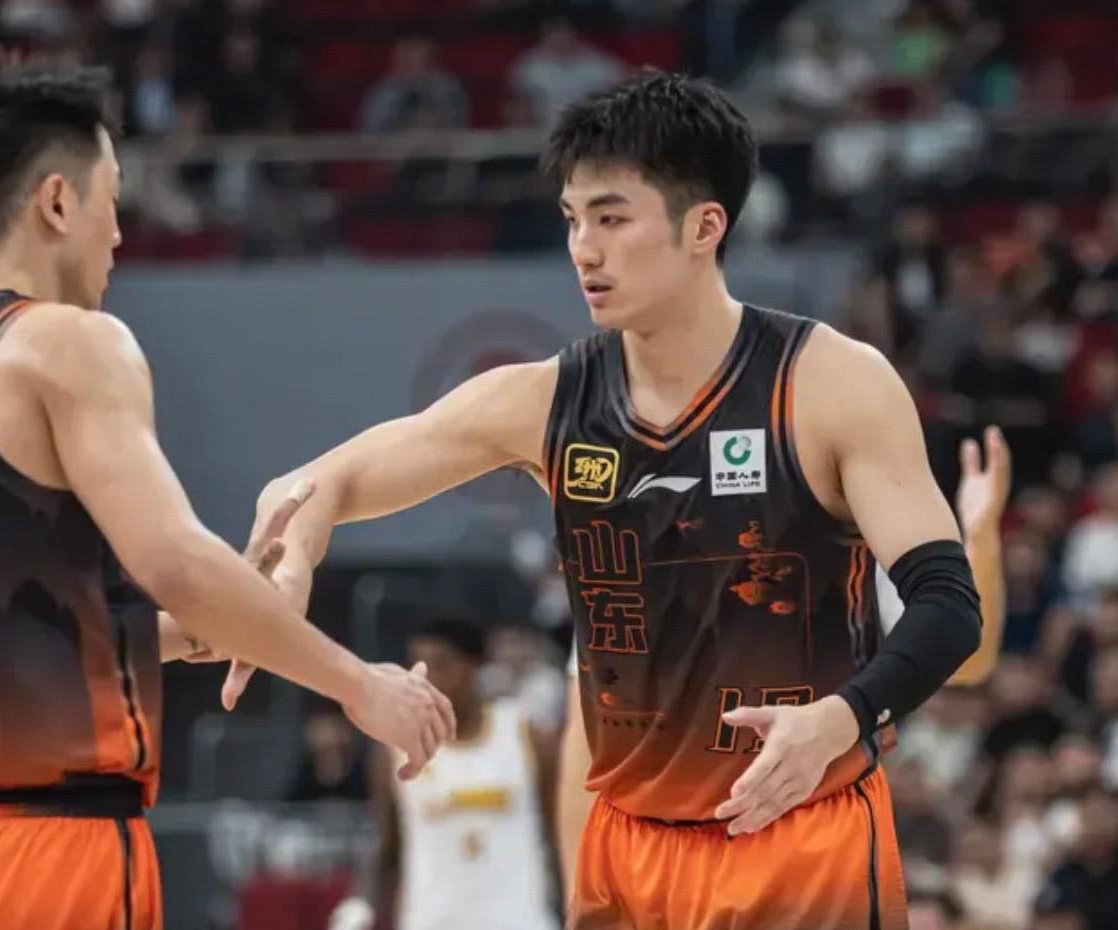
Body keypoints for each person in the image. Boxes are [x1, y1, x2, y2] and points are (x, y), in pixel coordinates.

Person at [231, 70, 983, 929]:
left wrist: (842, 718)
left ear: (704, 227)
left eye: (612, 218)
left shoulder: (828, 385)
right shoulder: (545, 402)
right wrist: (295, 553)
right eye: (572, 218)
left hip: (798, 839)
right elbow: (318, 482)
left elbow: (948, 605)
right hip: (627, 855)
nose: (583, 248)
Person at [0, 58, 453, 930]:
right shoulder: (67, 342)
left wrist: (210, 626)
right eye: (112, 201)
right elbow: (174, 562)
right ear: (57, 202)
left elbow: (10, 635)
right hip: (50, 856)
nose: (119, 234)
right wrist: (357, 684)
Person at [553, 426, 1011, 897]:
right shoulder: (637, 578)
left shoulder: (850, 555)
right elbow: (586, 749)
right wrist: (581, 899)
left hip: (813, 842)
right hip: (671, 854)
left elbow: (967, 664)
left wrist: (981, 541)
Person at [330, 620, 561, 930]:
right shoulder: (395, 749)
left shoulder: (528, 736)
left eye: (441, 665)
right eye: (418, 668)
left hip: (520, 920)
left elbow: (560, 837)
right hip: (432, 919)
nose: (428, 681)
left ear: (474, 666)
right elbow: (386, 847)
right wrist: (359, 905)